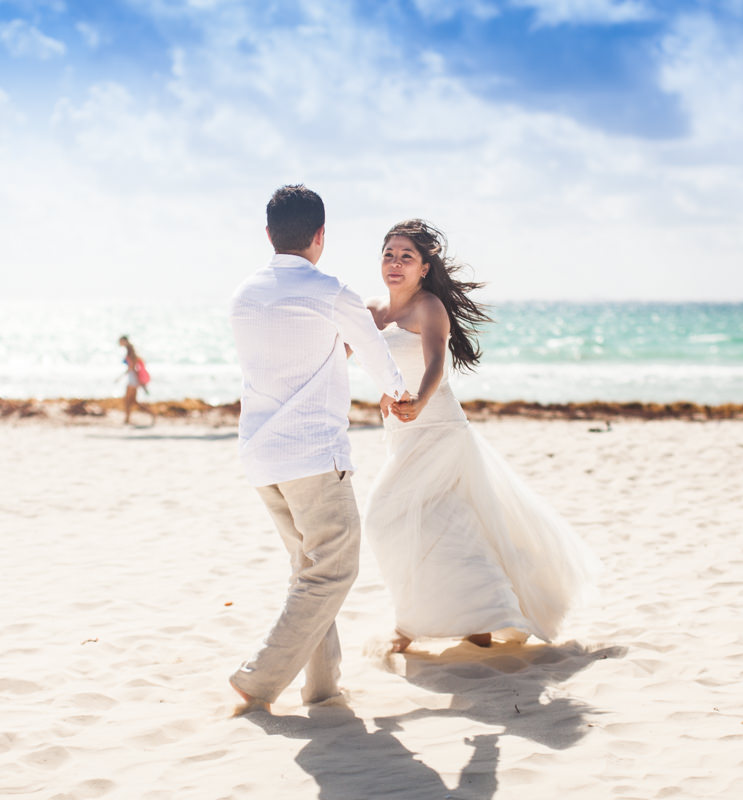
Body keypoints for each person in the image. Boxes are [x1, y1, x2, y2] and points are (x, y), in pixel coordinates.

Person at [364, 219, 601, 653]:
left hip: (437, 426)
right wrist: (387, 388)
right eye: (389, 255)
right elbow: (353, 353)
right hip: (401, 431)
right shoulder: (373, 311)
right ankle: (475, 617)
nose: (395, 264)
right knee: (441, 522)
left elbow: (436, 363)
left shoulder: (429, 307)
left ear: (423, 268)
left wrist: (416, 398)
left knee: (387, 516)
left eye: (406, 257)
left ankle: (437, 620)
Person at [227, 185, 408, 714]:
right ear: (320, 236)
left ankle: (323, 688)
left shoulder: (244, 294)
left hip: (261, 455)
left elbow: (293, 354)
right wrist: (399, 394)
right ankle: (258, 680)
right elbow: (373, 349)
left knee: (307, 573)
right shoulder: (330, 291)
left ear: (269, 235)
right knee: (333, 571)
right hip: (312, 454)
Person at [118, 336, 155, 426]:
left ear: (124, 341)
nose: (119, 343)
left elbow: (133, 367)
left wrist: (139, 381)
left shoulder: (130, 350)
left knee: (127, 401)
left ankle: (128, 419)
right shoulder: (130, 350)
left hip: (133, 378)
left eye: (120, 341)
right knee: (132, 401)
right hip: (133, 378)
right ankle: (151, 414)